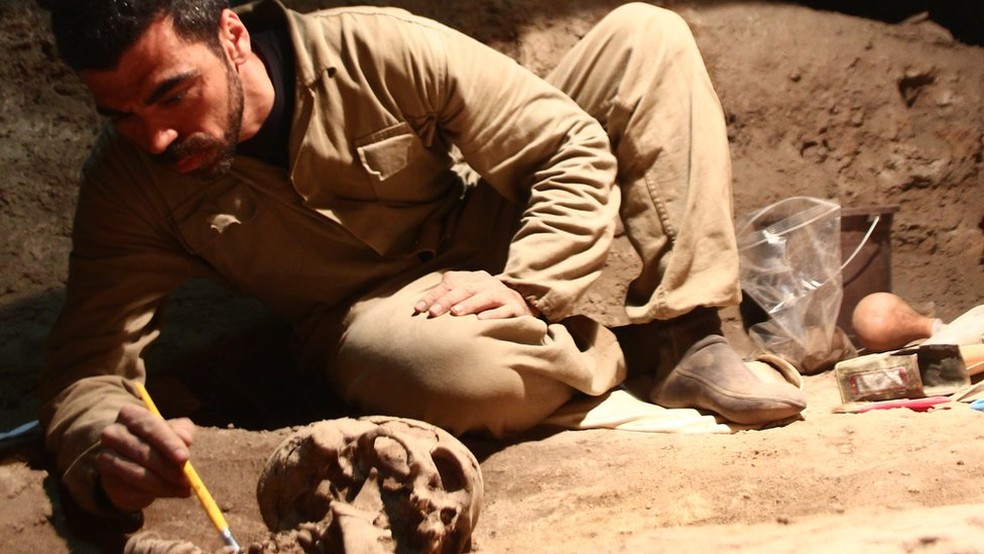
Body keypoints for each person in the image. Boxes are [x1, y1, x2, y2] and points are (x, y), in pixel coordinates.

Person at [39, 0, 807, 518]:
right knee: (438, 369)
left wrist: (531, 282)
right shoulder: (126, 182)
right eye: (123, 115)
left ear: (232, 37)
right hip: (374, 327)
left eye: (173, 95)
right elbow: (87, 368)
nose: (157, 139)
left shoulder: (373, 47)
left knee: (647, 34)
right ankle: (617, 352)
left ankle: (684, 333)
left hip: (485, 239)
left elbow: (566, 143)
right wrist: (100, 443)